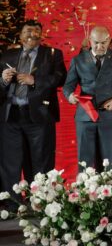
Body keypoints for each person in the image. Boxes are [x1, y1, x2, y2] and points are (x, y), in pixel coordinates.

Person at [0, 20, 66, 206]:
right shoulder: (7, 54)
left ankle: (40, 204)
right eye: (28, 31)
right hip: (10, 116)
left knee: (40, 161)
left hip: (39, 116)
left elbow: (60, 77)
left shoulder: (52, 54)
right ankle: (11, 206)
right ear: (20, 35)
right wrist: (3, 80)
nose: (33, 34)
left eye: (37, 31)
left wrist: (35, 80)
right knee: (10, 162)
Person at [63, 26, 112, 170]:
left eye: (103, 43)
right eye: (96, 42)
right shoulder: (78, 60)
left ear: (109, 40)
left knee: (111, 161)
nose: (100, 46)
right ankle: (85, 185)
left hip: (111, 115)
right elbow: (67, 86)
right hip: (85, 115)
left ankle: (110, 185)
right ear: (90, 40)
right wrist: (70, 96)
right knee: (85, 162)